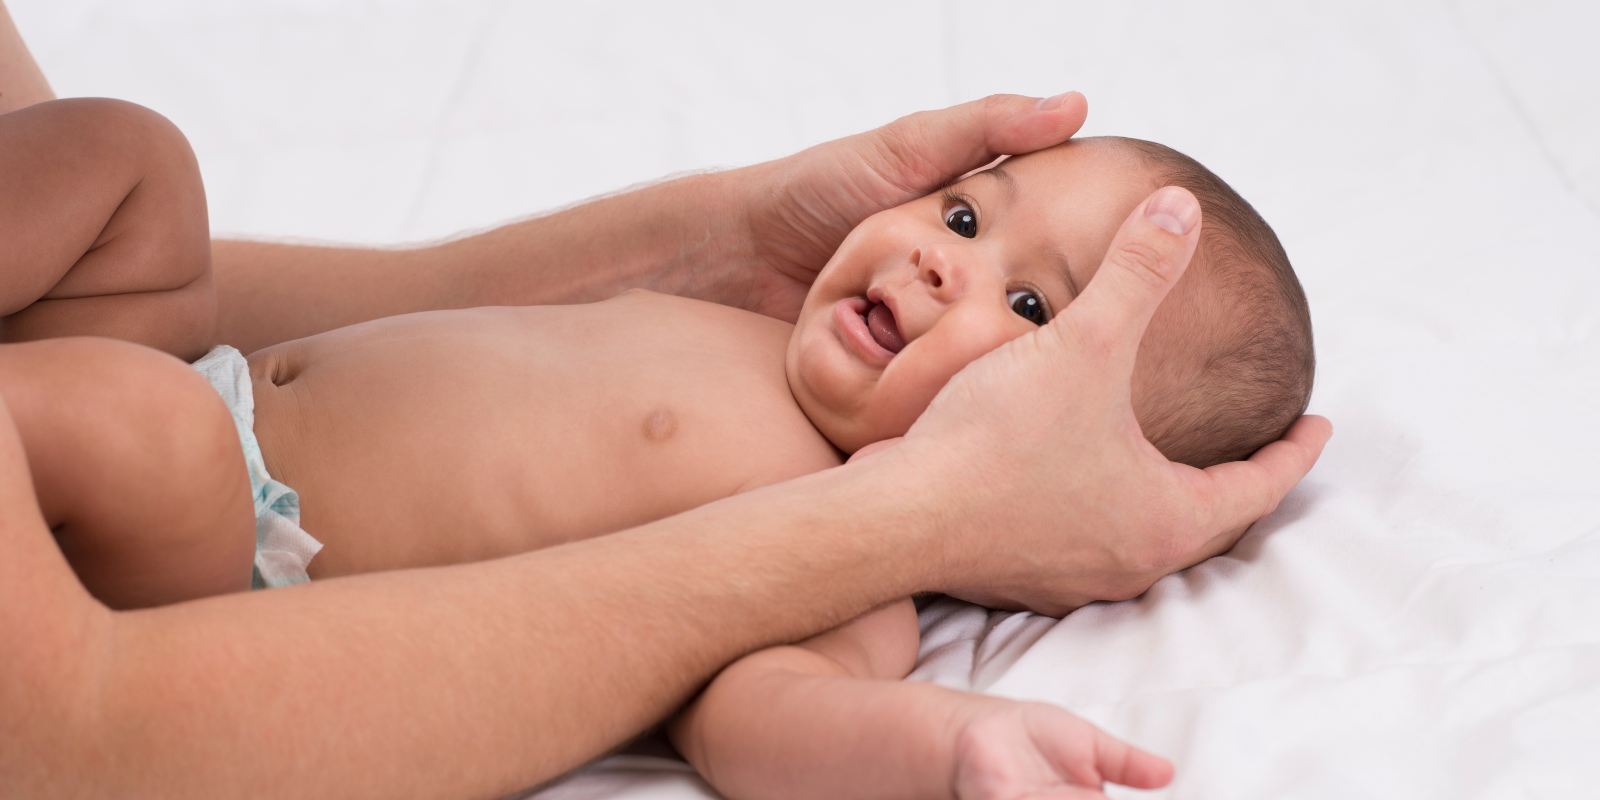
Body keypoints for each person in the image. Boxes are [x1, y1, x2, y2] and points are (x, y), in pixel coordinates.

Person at [0, 4, 1330, 798]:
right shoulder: (730, 324)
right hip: (199, 375)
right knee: (133, 160)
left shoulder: (850, 548)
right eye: (968, 211)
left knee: (136, 426)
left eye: (1034, 309)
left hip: (216, 543)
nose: (942, 255)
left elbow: (763, 723)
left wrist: (944, 748)